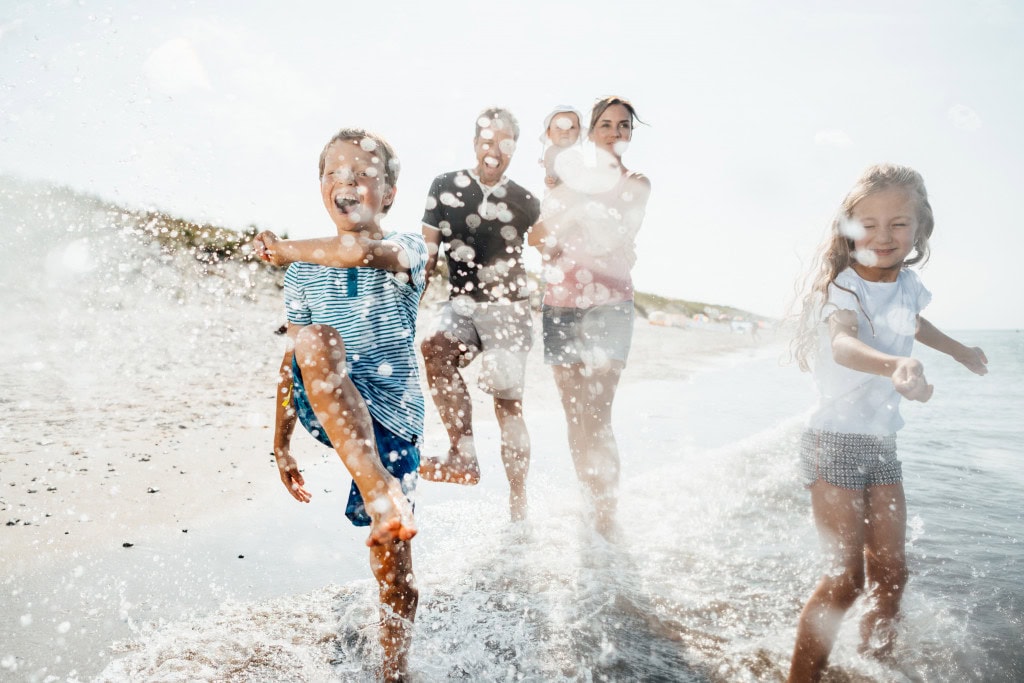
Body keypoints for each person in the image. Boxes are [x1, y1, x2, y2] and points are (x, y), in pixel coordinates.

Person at [787, 163, 988, 681]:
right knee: (844, 580)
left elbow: (913, 323)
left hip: (880, 445)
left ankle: (878, 669)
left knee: (893, 574)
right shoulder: (844, 289)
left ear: (920, 230)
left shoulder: (908, 285)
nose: (883, 235)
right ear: (849, 228)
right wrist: (894, 364)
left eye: (899, 223)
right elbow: (843, 343)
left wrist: (960, 351)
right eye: (869, 223)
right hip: (833, 443)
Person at [253, 127, 427, 681]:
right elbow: (293, 361)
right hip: (327, 400)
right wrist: (280, 445)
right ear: (320, 186)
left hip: (393, 418)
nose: (345, 184)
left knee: (393, 568)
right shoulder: (303, 271)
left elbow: (357, 252)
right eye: (334, 174)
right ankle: (379, 488)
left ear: (390, 194)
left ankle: (393, 672)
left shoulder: (409, 250)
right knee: (313, 340)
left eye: (362, 175)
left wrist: (280, 249)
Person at [528, 96, 652, 537]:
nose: (615, 133)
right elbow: (536, 238)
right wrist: (565, 206)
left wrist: (570, 204)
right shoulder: (565, 182)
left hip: (610, 305)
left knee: (598, 415)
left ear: (630, 135)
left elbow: (612, 235)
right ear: (591, 132)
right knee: (573, 414)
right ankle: (589, 501)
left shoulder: (637, 183)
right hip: (559, 303)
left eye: (623, 126)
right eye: (606, 125)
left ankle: (607, 515)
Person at [418, 107, 541, 522]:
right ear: (475, 144)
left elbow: (553, 247)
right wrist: (409, 304)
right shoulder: (444, 186)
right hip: (461, 305)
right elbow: (428, 255)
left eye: (504, 143)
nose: (494, 150)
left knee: (508, 406)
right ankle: (462, 455)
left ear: (514, 149)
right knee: (434, 347)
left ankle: (518, 503)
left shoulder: (526, 201)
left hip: (510, 309)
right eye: (487, 141)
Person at [538, 104, 584, 190]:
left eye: (571, 127)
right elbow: (550, 172)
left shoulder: (578, 154)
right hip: (558, 194)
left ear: (579, 133)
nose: (565, 131)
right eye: (559, 127)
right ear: (549, 133)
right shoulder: (552, 151)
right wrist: (550, 180)